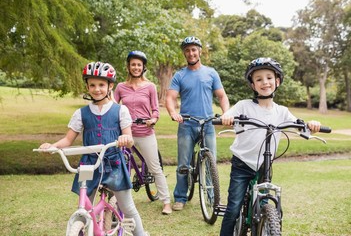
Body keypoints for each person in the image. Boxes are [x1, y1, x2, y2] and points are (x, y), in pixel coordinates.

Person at [38, 62, 148, 236]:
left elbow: (129, 140)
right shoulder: (81, 113)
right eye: (93, 85)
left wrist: (125, 138)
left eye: (102, 85)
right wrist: (52, 146)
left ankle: (141, 234)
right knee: (84, 206)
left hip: (114, 163)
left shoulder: (120, 111)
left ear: (110, 86)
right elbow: (68, 139)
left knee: (128, 207)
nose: (97, 89)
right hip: (88, 165)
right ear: (87, 86)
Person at [219, 57, 322, 235]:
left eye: (269, 77)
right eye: (258, 79)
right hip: (242, 165)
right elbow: (227, 116)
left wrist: (311, 124)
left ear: (277, 81)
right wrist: (226, 118)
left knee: (264, 203)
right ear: (253, 85)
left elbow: (300, 126)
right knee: (233, 208)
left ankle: (265, 224)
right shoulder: (244, 106)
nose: (264, 82)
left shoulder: (281, 111)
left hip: (265, 166)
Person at [165, 36, 230, 211]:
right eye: (187, 50)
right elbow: (170, 98)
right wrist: (173, 113)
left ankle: (211, 197)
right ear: (184, 53)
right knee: (184, 165)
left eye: (194, 49)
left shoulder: (211, 73)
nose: (191, 53)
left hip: (208, 124)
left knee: (211, 163)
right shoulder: (180, 75)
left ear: (200, 51)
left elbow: (222, 96)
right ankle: (180, 197)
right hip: (186, 124)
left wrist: (227, 113)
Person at [114, 51, 172, 215]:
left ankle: (166, 202)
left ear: (143, 67)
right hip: (126, 134)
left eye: (139, 65)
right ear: (128, 67)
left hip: (145, 132)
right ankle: (120, 203)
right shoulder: (120, 87)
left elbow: (155, 110)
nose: (136, 67)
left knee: (155, 167)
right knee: (122, 168)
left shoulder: (150, 87)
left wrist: (153, 119)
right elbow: (113, 106)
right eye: (133, 64)